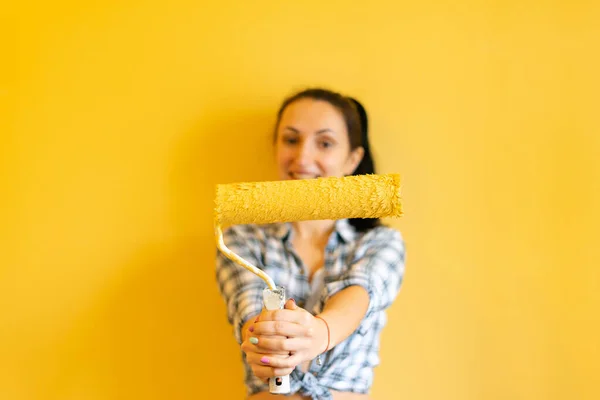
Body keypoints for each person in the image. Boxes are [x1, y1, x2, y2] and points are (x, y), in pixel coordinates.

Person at [216, 88, 406, 399]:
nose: (303, 157)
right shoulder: (240, 240)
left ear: (352, 159)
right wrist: (261, 343)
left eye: (325, 143)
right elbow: (247, 308)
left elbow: (359, 292)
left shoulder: (380, 243)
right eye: (291, 140)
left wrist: (320, 333)